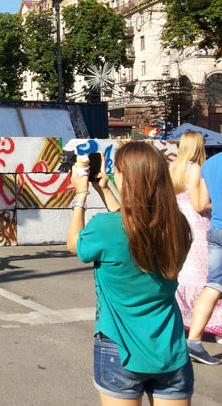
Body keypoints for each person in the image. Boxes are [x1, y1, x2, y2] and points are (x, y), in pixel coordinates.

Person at [67, 142, 194, 405]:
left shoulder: (104, 227)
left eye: (117, 171)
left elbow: (74, 244)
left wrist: (81, 194)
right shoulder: (177, 225)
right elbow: (134, 227)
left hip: (119, 348)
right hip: (169, 348)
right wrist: (104, 190)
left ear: (126, 179)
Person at [170, 132, 222, 343]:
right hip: (197, 224)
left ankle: (184, 321)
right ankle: (214, 325)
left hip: (178, 222)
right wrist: (215, 203)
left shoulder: (172, 167)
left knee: (184, 274)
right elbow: (199, 205)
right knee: (208, 278)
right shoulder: (195, 169)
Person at [187, 150, 222, 365]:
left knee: (214, 285)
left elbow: (201, 202)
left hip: (216, 229)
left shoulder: (209, 164)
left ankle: (194, 340)